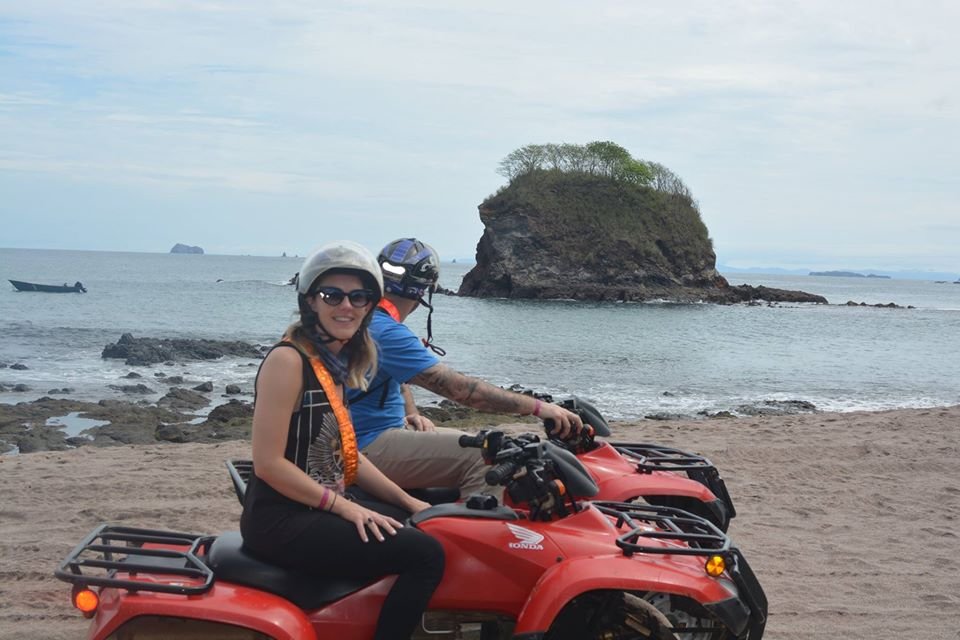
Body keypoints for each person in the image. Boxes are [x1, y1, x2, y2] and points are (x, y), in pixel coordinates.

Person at [240, 240, 445, 640]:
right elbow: (268, 463)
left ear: (371, 304)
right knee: (426, 554)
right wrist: (345, 509)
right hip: (281, 518)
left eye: (359, 296)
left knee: (430, 520)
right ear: (311, 301)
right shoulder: (289, 361)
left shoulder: (332, 362)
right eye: (332, 295)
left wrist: (410, 501)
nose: (346, 306)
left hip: (313, 506)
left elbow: (347, 453)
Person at [347, 237, 582, 500]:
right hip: (366, 445)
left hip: (378, 435)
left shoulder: (369, 319)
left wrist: (412, 413)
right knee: (488, 456)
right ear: (424, 292)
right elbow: (462, 391)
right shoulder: (386, 330)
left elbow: (399, 379)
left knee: (480, 440)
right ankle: (475, 532)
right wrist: (538, 408)